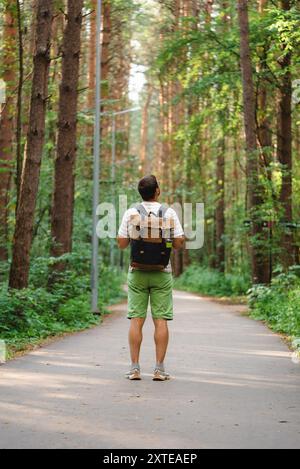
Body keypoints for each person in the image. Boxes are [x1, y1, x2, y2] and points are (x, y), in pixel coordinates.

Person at [117, 175, 185, 381]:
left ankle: (135, 368)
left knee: (136, 320)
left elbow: (121, 244)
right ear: (157, 191)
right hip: (162, 273)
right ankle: (159, 370)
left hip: (137, 272)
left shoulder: (131, 212)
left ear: (141, 193)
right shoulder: (169, 212)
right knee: (161, 320)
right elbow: (179, 243)